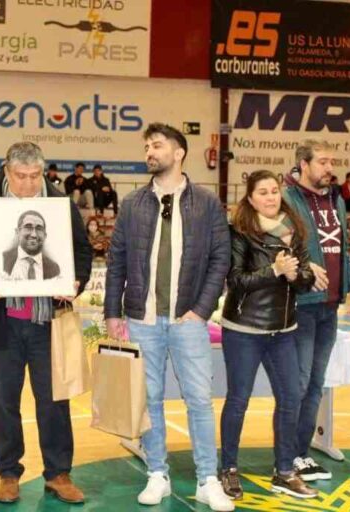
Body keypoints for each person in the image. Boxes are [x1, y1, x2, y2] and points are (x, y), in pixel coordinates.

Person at [0, 141, 92, 505]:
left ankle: (59, 473)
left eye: (34, 176)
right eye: (20, 176)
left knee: (53, 402)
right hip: (1, 326)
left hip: (49, 324)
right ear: (6, 170)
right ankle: (8, 473)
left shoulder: (61, 205)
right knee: (3, 403)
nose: (28, 184)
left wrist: (75, 282)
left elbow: (81, 252)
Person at [104, 123, 234, 511]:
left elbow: (220, 260)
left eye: (156, 145)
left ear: (178, 153)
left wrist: (200, 310)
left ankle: (207, 480)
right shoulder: (133, 204)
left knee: (199, 400)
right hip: (142, 319)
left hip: (188, 321)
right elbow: (116, 262)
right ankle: (156, 474)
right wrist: (113, 312)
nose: (149, 151)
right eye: (146, 146)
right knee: (151, 400)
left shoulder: (207, 203)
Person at [219, 170, 317, 500]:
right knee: (238, 401)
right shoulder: (240, 233)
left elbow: (304, 281)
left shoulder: (295, 231)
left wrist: (297, 275)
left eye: (274, 191)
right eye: (263, 192)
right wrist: (274, 271)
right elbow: (235, 280)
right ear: (250, 198)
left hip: (284, 330)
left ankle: (285, 471)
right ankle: (228, 468)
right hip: (244, 330)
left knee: (291, 398)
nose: (271, 197)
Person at [283, 139, 350, 481]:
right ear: (303, 164)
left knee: (316, 384)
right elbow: (272, 245)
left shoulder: (336, 200)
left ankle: (300, 454)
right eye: (323, 162)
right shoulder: (286, 199)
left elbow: (340, 246)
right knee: (299, 384)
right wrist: (303, 268)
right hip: (301, 305)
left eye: (333, 162)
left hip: (329, 306)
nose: (330, 168)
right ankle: (286, 456)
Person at [2, 210, 60, 280]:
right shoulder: (3, 260)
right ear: (17, 232)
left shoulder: (54, 268)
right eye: (28, 227)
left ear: (45, 235)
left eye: (39, 229)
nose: (34, 235)